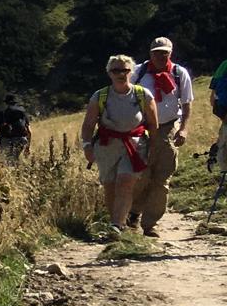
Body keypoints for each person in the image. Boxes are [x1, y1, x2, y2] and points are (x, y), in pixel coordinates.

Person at [80, 55, 159, 234]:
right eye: (116, 70)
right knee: (110, 186)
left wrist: (153, 147)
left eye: (125, 70)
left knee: (125, 182)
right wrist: (87, 146)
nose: (121, 74)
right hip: (107, 146)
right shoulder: (99, 96)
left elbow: (153, 125)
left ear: (131, 72)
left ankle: (117, 224)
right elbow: (88, 125)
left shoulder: (143, 95)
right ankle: (116, 222)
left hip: (135, 145)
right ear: (109, 73)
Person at [129, 36, 193, 234]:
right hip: (141, 128)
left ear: (170, 53)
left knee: (162, 177)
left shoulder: (178, 73)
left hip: (167, 127)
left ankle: (150, 224)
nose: (160, 56)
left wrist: (183, 128)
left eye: (164, 53)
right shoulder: (137, 73)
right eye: (157, 53)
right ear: (150, 54)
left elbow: (187, 102)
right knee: (141, 174)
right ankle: (133, 213)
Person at [0, 94, 32, 164]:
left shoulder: (1, 113)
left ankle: (9, 172)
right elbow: (29, 131)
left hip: (5, 140)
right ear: (16, 103)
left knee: (4, 162)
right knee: (15, 159)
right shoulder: (22, 113)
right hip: (21, 139)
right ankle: (17, 172)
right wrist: (28, 147)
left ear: (6, 103)